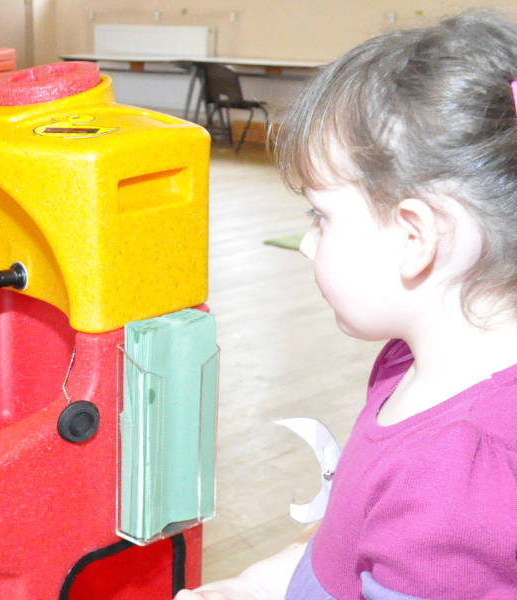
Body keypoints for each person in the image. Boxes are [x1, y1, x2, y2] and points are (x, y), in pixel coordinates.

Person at [178, 11, 517, 600]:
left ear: (415, 237)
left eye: (321, 216)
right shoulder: (403, 364)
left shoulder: (456, 487)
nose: (308, 241)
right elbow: (347, 550)